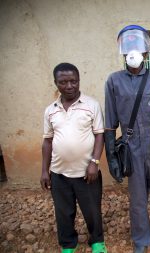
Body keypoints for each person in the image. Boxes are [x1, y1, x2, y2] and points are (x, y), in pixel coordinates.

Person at [104, 25, 150, 253]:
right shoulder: (113, 81)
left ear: (146, 53)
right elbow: (109, 122)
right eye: (128, 50)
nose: (133, 55)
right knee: (137, 197)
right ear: (123, 53)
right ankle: (141, 239)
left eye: (138, 50)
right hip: (131, 146)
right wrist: (111, 157)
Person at [40, 63, 107, 253]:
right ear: (56, 83)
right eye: (63, 82)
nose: (69, 86)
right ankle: (68, 244)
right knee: (63, 212)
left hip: (87, 173)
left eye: (73, 81)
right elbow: (47, 141)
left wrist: (94, 163)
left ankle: (97, 242)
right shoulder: (50, 110)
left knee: (92, 211)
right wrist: (45, 171)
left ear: (79, 81)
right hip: (59, 173)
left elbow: (100, 135)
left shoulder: (91, 105)